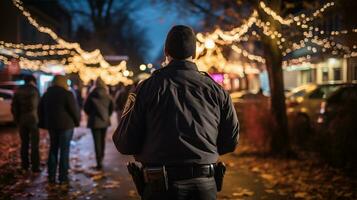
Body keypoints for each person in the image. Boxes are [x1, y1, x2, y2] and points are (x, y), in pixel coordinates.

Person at [113, 25, 239, 200]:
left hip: (161, 186)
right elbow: (230, 142)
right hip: (204, 185)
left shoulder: (146, 88)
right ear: (194, 53)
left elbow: (124, 142)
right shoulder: (217, 91)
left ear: (166, 51)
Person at [38, 75, 80, 184]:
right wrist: (77, 121)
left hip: (52, 126)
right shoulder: (67, 94)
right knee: (64, 151)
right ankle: (63, 177)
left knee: (53, 149)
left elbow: (40, 110)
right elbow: (74, 110)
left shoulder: (46, 94)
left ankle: (51, 176)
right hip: (66, 126)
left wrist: (43, 123)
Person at [11, 75, 40, 172]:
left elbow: (14, 107)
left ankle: (25, 165)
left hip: (22, 120)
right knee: (34, 144)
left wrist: (17, 119)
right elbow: (39, 106)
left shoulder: (18, 90)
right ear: (32, 81)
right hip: (33, 119)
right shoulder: (35, 90)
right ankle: (35, 166)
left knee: (24, 143)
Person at [84, 78, 114, 170]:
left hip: (94, 121)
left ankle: (99, 162)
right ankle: (102, 157)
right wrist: (107, 115)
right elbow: (112, 107)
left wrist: (92, 114)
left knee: (97, 142)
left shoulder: (91, 94)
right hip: (104, 121)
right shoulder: (107, 95)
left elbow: (86, 108)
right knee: (102, 140)